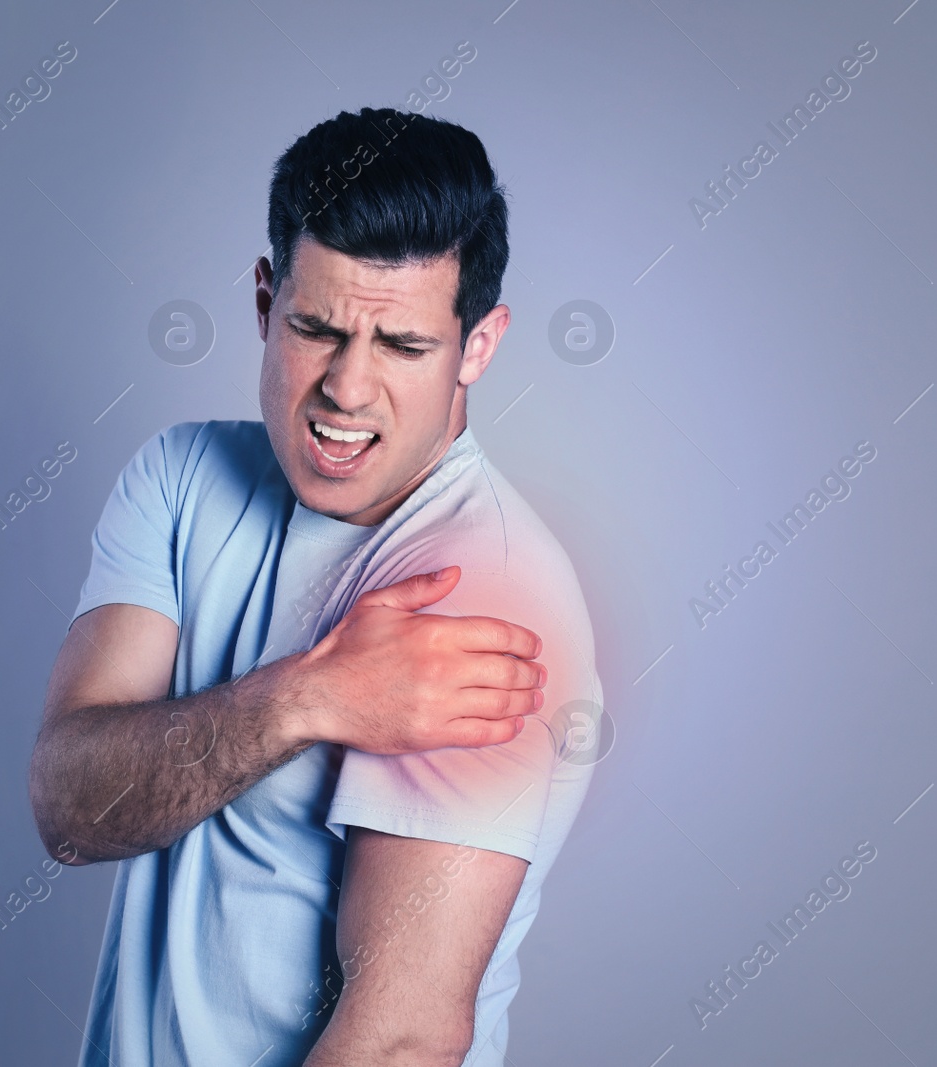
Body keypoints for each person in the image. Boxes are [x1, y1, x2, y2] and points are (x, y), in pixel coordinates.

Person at [29, 106, 603, 1067]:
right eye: (316, 328)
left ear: (479, 345)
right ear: (264, 301)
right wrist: (309, 696)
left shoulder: (487, 597)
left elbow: (401, 1040)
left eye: (405, 347)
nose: (347, 387)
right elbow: (71, 812)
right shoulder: (180, 478)